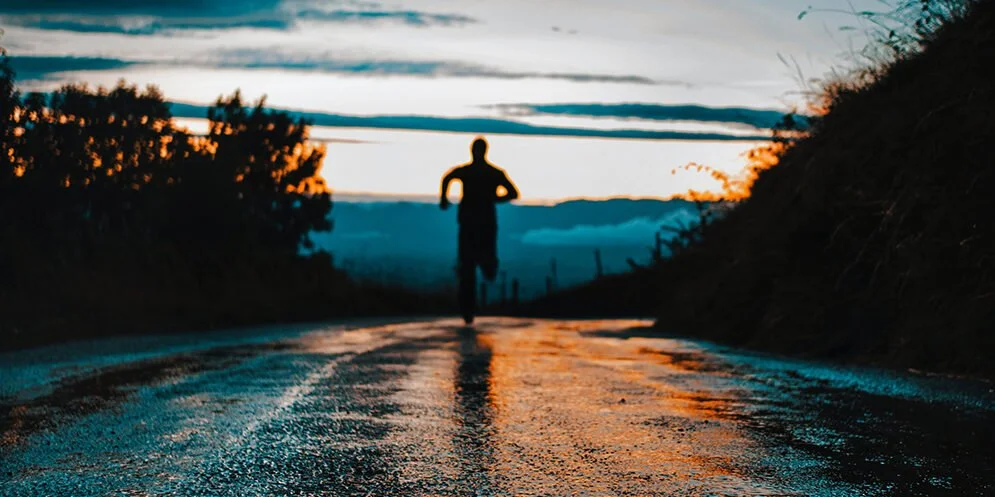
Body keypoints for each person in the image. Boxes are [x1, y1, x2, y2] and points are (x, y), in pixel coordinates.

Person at [440, 136, 519, 324]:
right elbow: (513, 193)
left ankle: (470, 304)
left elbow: (448, 177)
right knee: (469, 266)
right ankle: (468, 309)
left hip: (473, 224)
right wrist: (493, 198)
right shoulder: (494, 173)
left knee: (469, 265)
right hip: (481, 224)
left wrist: (443, 198)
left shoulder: (474, 172)